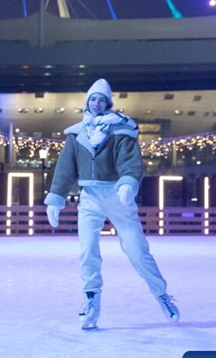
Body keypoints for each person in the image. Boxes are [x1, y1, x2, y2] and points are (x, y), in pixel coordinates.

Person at [44, 78, 179, 330]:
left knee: (137, 250)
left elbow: (131, 161)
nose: (96, 104)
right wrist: (57, 197)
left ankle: (161, 294)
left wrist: (128, 182)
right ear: (87, 102)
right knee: (87, 250)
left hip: (118, 197)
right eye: (92, 99)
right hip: (90, 198)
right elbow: (65, 169)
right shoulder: (76, 134)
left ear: (108, 103)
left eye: (101, 100)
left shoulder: (121, 130)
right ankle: (92, 300)